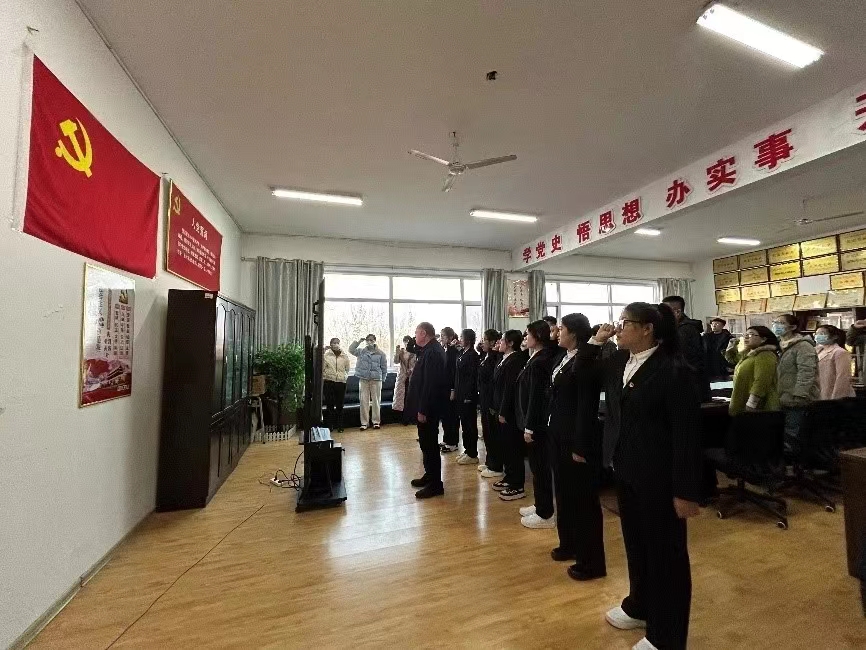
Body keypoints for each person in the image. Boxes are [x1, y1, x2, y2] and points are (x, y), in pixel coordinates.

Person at [586, 303, 702, 650]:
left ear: (648, 328)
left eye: (625, 323)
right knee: (636, 545)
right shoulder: (621, 361)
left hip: (659, 478)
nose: (618, 328)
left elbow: (686, 436)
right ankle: (640, 605)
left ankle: (667, 636)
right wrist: (596, 341)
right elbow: (583, 373)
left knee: (666, 557)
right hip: (627, 470)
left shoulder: (674, 371)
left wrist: (686, 491)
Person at [548, 312, 606, 581]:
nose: (557, 333)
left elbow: (585, 407)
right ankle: (569, 543)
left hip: (576, 438)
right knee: (564, 494)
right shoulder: (564, 357)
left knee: (583, 501)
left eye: (561, 329)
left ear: (574, 333)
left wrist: (581, 445)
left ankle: (590, 561)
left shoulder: (586, 361)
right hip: (558, 434)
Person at [512, 320, 562, 529]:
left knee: (540, 467)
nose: (525, 338)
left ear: (538, 337)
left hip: (537, 424)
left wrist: (529, 426)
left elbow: (536, 397)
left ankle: (545, 513)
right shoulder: (535, 357)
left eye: (528, 334)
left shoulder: (541, 360)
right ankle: (540, 503)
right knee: (536, 466)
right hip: (531, 420)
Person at [406, 322, 449, 499]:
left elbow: (430, 384)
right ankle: (430, 475)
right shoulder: (429, 349)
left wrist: (422, 409)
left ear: (424, 333)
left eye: (417, 333)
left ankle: (435, 485)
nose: (415, 336)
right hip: (427, 406)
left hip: (429, 408)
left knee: (430, 445)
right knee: (425, 444)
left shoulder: (433, 352)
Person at [772, 314, 820, 452]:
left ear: (792, 327)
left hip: (796, 398)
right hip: (780, 397)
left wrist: (800, 395)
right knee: (781, 434)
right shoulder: (776, 345)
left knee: (793, 434)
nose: (776, 325)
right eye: (775, 322)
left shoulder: (803, 346)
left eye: (781, 323)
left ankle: (795, 462)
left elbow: (806, 372)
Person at [491, 330, 528, 496]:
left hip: (509, 411)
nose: (499, 342)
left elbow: (509, 388)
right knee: (505, 445)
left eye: (503, 340)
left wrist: (503, 411)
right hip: (499, 407)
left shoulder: (515, 360)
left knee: (513, 447)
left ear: (511, 343)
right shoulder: (504, 358)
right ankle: (509, 476)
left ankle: (517, 483)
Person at [662, 295, 710, 401]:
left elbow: (683, 359)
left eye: (665, 311)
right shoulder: (679, 328)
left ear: (677, 312)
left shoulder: (685, 330)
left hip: (690, 383)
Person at [724, 326, 780, 416]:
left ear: (763, 339)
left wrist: (752, 403)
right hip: (744, 401)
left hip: (758, 408)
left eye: (750, 335)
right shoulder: (750, 354)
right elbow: (732, 360)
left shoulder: (765, 354)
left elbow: (761, 381)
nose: (746, 337)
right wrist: (731, 346)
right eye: (745, 334)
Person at [349, 334, 388, 430]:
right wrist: (358, 342)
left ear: (375, 340)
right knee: (363, 401)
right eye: (368, 340)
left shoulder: (381, 353)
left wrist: (382, 379)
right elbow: (351, 350)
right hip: (364, 379)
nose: (369, 341)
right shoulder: (361, 351)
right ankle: (364, 423)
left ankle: (376, 422)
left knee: (376, 401)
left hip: (376, 379)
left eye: (371, 340)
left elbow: (384, 368)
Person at [477, 329, 503, 477]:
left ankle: (496, 466)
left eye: (485, 340)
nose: (482, 342)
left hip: (492, 401)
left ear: (493, 342)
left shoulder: (495, 358)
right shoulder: (486, 355)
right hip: (484, 399)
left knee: (493, 434)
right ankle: (489, 461)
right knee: (486, 432)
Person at [454, 328, 480, 465]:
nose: (460, 339)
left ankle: (472, 453)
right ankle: (467, 450)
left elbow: (472, 378)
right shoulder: (462, 353)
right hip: (460, 393)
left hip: (468, 396)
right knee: (464, 424)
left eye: (462, 337)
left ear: (468, 340)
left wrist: (468, 395)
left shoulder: (473, 355)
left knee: (470, 425)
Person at [815, 324, 855, 400]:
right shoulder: (817, 351)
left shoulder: (840, 352)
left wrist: (837, 398)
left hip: (834, 394)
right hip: (820, 392)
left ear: (834, 337)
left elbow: (843, 377)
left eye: (822, 334)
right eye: (816, 334)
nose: (818, 336)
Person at [439, 327, 461, 452]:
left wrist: (453, 389)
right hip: (444, 388)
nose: (441, 338)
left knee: (452, 416)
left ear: (450, 337)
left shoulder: (453, 351)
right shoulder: (445, 349)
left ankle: (453, 442)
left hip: (451, 388)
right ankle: (446, 439)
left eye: (443, 336)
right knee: (445, 415)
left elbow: (453, 372)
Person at [323, 337, 351, 432]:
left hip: (341, 382)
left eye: (337, 343)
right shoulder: (326, 355)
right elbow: (322, 368)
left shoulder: (344, 356)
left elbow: (347, 369)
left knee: (340, 405)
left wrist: (344, 377)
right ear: (330, 344)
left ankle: (340, 426)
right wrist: (326, 376)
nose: (335, 344)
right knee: (329, 405)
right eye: (334, 343)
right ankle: (330, 426)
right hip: (329, 382)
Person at [392, 335, 417, 422]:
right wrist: (397, 353)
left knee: (411, 397)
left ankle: (411, 417)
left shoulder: (415, 352)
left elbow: (417, 364)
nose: (406, 342)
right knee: (402, 398)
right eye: (405, 341)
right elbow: (396, 361)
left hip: (412, 377)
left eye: (408, 341)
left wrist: (411, 370)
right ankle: (403, 418)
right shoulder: (402, 352)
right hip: (402, 377)